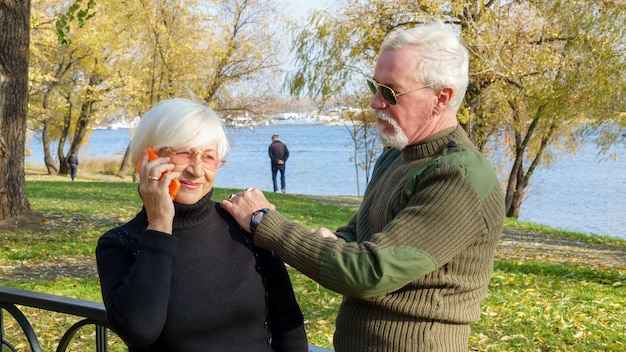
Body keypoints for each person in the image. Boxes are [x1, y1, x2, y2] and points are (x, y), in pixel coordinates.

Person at [221, 21, 505, 352]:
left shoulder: (457, 178)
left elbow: (369, 271)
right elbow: (358, 236)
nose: (374, 102)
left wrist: (265, 222)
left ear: (441, 98)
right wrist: (331, 241)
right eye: (375, 86)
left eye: (390, 91)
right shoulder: (395, 157)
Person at [95, 98, 308, 352]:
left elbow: (289, 325)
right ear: (148, 157)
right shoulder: (122, 243)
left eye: (208, 157)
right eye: (184, 153)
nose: (196, 170)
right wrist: (161, 222)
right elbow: (140, 329)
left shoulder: (244, 227)